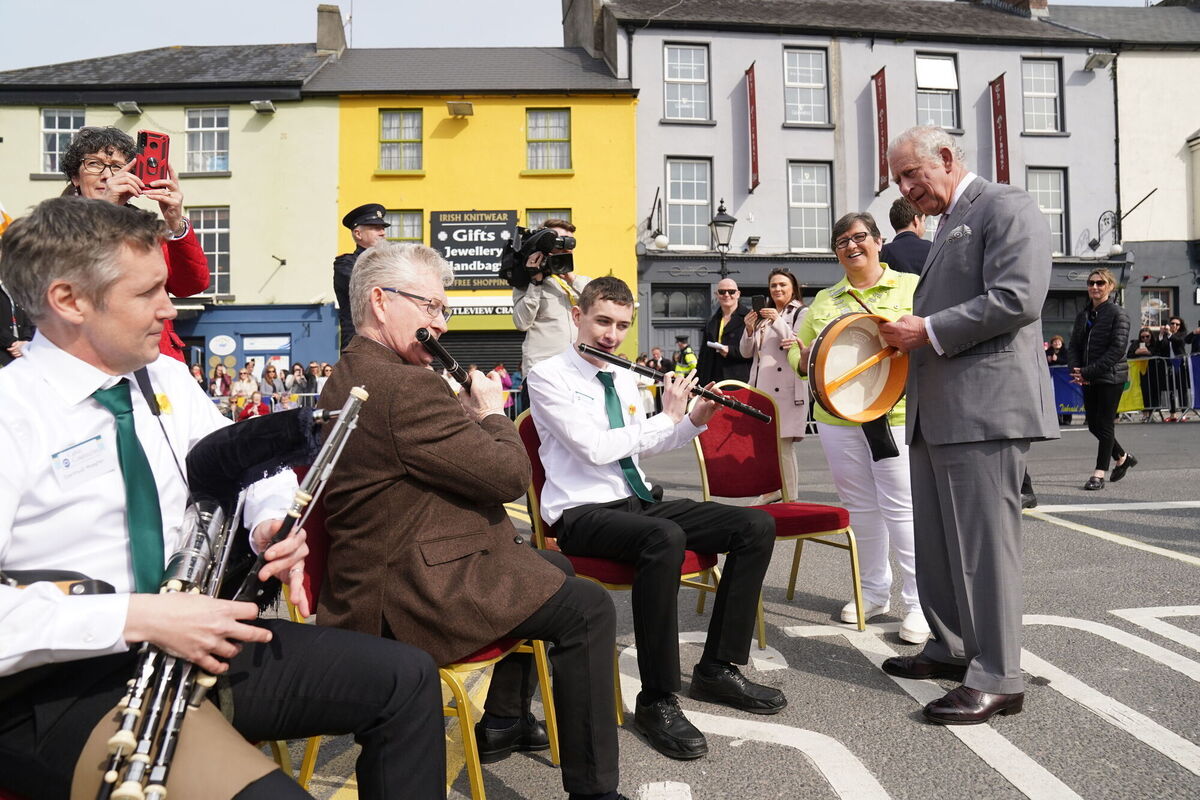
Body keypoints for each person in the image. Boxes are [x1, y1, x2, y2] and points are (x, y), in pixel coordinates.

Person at [0, 197, 444, 800]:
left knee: (407, 677)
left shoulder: (164, 378)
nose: (169, 307)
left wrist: (269, 522)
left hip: (188, 634)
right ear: (68, 300)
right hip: (63, 680)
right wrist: (137, 617)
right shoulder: (12, 413)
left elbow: (241, 463)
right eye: (148, 292)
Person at [317, 243, 629, 800]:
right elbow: (509, 477)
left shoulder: (353, 371)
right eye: (431, 307)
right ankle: (595, 793)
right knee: (587, 608)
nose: (441, 323)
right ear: (380, 302)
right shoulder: (405, 386)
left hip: (384, 566)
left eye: (444, 310)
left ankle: (505, 717)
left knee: (550, 567)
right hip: (408, 592)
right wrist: (488, 411)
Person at [528, 276, 784, 762]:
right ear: (578, 316)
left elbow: (641, 446)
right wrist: (666, 417)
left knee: (755, 525)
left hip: (635, 499)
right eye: (602, 321)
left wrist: (691, 422)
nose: (611, 335)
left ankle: (717, 668)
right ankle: (657, 699)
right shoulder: (547, 377)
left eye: (622, 325)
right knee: (663, 538)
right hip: (581, 513)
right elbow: (593, 448)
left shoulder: (622, 376)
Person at [878, 125, 1059, 725]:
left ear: (946, 157)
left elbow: (1018, 298)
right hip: (941, 409)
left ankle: (999, 677)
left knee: (984, 549)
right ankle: (954, 646)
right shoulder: (950, 222)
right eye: (898, 179)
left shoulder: (1005, 205)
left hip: (984, 408)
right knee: (939, 544)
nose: (904, 188)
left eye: (911, 174)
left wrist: (926, 329)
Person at [790, 212, 928, 644]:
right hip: (838, 417)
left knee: (902, 509)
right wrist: (803, 357)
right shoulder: (824, 300)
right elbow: (799, 359)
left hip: (893, 414)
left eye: (859, 237)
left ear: (879, 241)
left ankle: (920, 602)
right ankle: (872, 592)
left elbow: (932, 340)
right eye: (841, 242)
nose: (851, 246)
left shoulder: (911, 287)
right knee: (861, 509)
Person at [59, 126, 209, 362]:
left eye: (117, 167)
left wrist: (176, 225)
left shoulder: (145, 227)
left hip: (155, 359)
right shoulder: (55, 225)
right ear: (75, 177)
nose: (107, 175)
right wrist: (105, 212)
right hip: (90, 356)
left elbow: (190, 285)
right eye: (94, 164)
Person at [739, 268, 808, 502]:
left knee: (783, 445)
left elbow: (795, 343)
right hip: (762, 388)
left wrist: (777, 321)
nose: (777, 289)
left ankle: (790, 498)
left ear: (793, 288)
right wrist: (749, 329)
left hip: (787, 388)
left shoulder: (801, 313)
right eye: (773, 286)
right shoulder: (763, 317)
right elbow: (746, 352)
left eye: (782, 285)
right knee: (766, 445)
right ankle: (772, 490)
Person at [512, 219, 591, 408]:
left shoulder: (579, 283)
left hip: (578, 373)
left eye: (570, 243)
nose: (566, 247)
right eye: (559, 241)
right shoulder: (525, 282)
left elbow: (600, 304)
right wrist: (535, 282)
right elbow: (522, 323)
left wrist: (571, 278)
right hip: (542, 373)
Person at [1068, 269, 1135, 490]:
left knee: (1105, 424)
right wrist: (1077, 371)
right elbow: (1074, 346)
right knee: (1093, 424)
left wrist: (1088, 372)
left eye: (1100, 283)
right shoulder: (1084, 315)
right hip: (1089, 376)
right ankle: (1123, 457)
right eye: (1091, 283)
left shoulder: (1118, 314)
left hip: (1110, 376)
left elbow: (1117, 349)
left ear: (1110, 286)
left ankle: (1098, 474)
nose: (1095, 287)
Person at [333, 203, 388, 350]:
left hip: (388, 342)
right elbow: (369, 287)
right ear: (358, 234)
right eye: (376, 228)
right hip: (360, 345)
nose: (382, 233)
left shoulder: (389, 263)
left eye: (383, 228)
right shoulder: (346, 264)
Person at [696, 278, 752, 386]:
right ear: (716, 295)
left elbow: (756, 351)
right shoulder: (711, 321)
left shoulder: (750, 318)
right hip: (714, 382)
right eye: (722, 292)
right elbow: (703, 357)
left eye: (731, 291)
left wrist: (730, 351)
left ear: (738, 294)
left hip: (741, 381)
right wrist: (697, 384)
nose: (726, 295)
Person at [879, 196, 932, 275]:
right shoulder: (931, 249)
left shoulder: (883, 253)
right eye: (924, 221)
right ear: (916, 220)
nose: (925, 228)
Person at [1153, 315, 1189, 421]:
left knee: (1182, 389)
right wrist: (1160, 334)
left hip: (1180, 365)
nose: (1174, 325)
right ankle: (1173, 414)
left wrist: (1169, 333)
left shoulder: (1182, 334)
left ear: (1180, 326)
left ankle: (1184, 413)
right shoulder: (1165, 336)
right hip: (1168, 366)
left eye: (1177, 324)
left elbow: (1179, 342)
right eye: (1172, 323)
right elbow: (1158, 347)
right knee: (1171, 390)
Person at [1128, 326, 1162, 420]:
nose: (1145, 339)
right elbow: (1129, 355)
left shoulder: (1155, 344)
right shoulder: (1136, 343)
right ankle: (1145, 414)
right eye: (1142, 337)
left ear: (1151, 336)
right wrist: (1136, 353)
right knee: (1144, 391)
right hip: (1140, 372)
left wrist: (1149, 353)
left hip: (1154, 371)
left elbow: (1159, 353)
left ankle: (1152, 413)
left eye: (1147, 336)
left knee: (1154, 391)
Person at [0, 279, 34, 366]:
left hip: (21, 351)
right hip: (6, 351)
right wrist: (13, 343)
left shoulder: (14, 287)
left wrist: (26, 341)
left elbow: (27, 317)